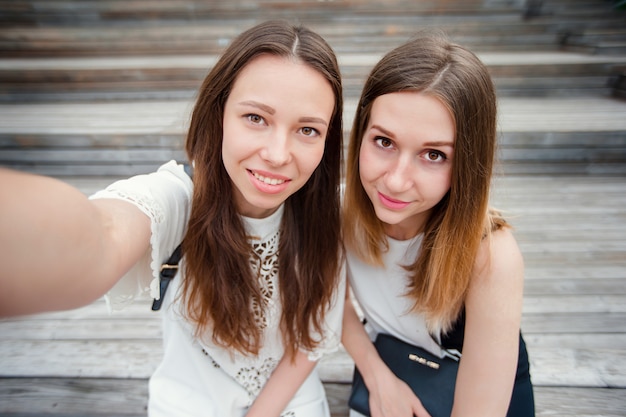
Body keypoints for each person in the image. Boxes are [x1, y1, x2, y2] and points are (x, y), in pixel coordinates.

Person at [0, 20, 346, 417]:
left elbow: (308, 340)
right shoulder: (178, 199)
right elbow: (104, 231)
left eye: (307, 129)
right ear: (219, 114)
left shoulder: (328, 214)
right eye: (255, 118)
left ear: (327, 140)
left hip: (294, 404)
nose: (278, 153)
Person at [341, 33, 535, 417]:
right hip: (395, 367)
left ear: (467, 161)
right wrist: (379, 378)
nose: (396, 180)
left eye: (433, 154)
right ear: (361, 132)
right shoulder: (339, 208)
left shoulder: (491, 254)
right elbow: (329, 303)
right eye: (384, 141)